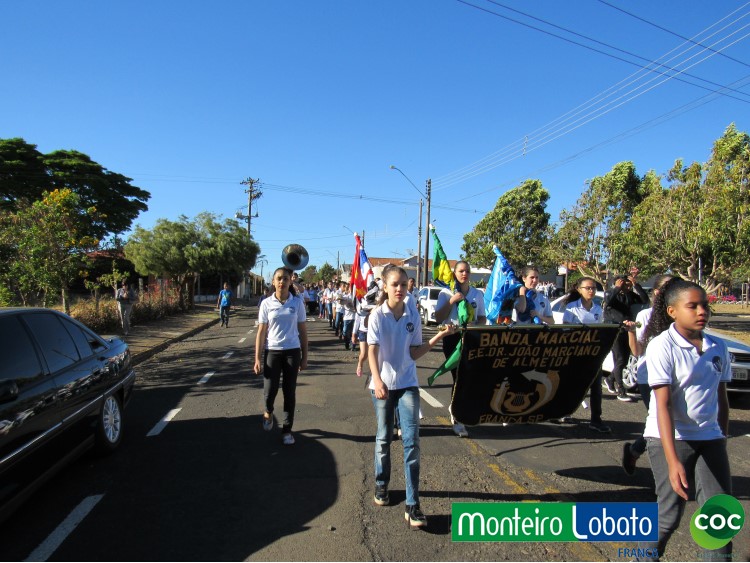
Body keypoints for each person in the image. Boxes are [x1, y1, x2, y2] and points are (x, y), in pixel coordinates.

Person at [639, 278, 732, 561]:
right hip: (671, 438)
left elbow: (721, 398)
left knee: (720, 516)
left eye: (704, 305)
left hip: (710, 438)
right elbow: (663, 404)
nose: (702, 311)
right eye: (692, 306)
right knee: (669, 515)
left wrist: (721, 438)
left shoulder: (717, 346)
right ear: (672, 312)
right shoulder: (661, 346)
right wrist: (672, 460)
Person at [367, 265, 455, 529]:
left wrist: (439, 335)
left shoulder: (412, 313)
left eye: (403, 285)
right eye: (395, 284)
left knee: (412, 442)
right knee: (384, 437)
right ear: (385, 287)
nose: (400, 289)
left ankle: (412, 504)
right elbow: (372, 351)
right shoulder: (377, 315)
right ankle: (381, 483)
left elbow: (414, 353)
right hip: (382, 385)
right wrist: (378, 380)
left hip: (407, 384)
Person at [621, 275, 673, 475]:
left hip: (676, 377)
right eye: (668, 288)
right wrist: (631, 332)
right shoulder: (645, 316)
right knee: (661, 420)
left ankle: (635, 450)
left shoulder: (680, 314)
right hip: (650, 377)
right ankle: (665, 470)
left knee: (669, 421)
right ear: (657, 292)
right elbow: (637, 351)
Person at [254, 267, 308, 446]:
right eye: (278, 278)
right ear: (273, 281)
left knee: (289, 391)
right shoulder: (266, 303)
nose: (282, 282)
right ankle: (268, 410)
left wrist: (305, 356)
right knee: (270, 390)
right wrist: (257, 358)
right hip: (273, 351)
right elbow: (261, 332)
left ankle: (287, 430)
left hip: (292, 351)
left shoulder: (297, 303)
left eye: (285, 278)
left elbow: (303, 331)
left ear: (290, 281)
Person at [434, 261, 487, 437]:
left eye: (467, 271)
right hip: (452, 338)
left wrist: (475, 325)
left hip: (470, 337)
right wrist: (452, 300)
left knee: (466, 377)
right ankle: (457, 418)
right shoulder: (445, 293)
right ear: (454, 273)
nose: (464, 274)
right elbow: (438, 317)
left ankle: (456, 407)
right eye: (461, 271)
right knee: (459, 376)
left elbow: (482, 318)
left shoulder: (477, 294)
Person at [561, 276, 611, 433]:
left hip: (593, 354)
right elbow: (566, 330)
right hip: (576, 353)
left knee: (596, 387)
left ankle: (596, 419)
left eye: (594, 288)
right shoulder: (571, 308)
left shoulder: (598, 309)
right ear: (579, 290)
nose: (591, 291)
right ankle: (565, 412)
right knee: (573, 384)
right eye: (588, 288)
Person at [603, 270, 648, 402]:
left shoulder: (630, 295)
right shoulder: (611, 293)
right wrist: (617, 287)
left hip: (627, 330)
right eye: (625, 285)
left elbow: (644, 300)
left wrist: (636, 284)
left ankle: (610, 379)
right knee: (620, 359)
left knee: (625, 359)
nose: (627, 287)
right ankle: (621, 390)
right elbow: (608, 301)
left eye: (629, 285)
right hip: (614, 330)